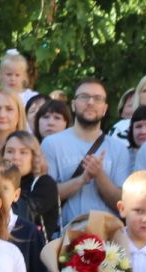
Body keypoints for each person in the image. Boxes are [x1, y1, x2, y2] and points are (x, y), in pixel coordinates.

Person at [43, 80, 129, 220]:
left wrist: (99, 175)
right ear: (73, 105)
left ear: (105, 108)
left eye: (97, 98)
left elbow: (123, 204)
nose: (90, 102)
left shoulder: (119, 149)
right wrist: (82, 180)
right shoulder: (51, 144)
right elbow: (45, 197)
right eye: (84, 96)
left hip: (108, 236)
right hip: (63, 236)